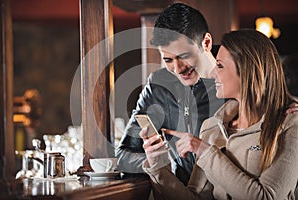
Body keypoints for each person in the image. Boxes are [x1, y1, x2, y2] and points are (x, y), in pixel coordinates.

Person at [141, 29, 298, 199]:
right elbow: (196, 197)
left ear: (247, 70)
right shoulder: (211, 127)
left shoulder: (289, 123)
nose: (213, 73)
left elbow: (267, 197)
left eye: (220, 65)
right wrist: (157, 166)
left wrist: (205, 151)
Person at [116, 3, 225, 185]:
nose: (177, 68)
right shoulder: (158, 86)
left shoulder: (235, 72)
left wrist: (287, 104)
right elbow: (123, 156)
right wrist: (161, 161)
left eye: (183, 56)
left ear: (206, 43)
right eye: (168, 60)